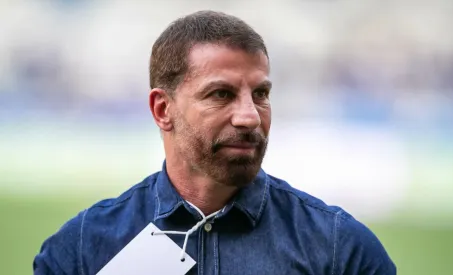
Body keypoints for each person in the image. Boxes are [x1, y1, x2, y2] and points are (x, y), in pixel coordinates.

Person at [34, 10, 396, 275]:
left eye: (261, 93)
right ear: (163, 109)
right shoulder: (83, 249)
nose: (250, 116)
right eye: (221, 94)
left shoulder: (340, 249)